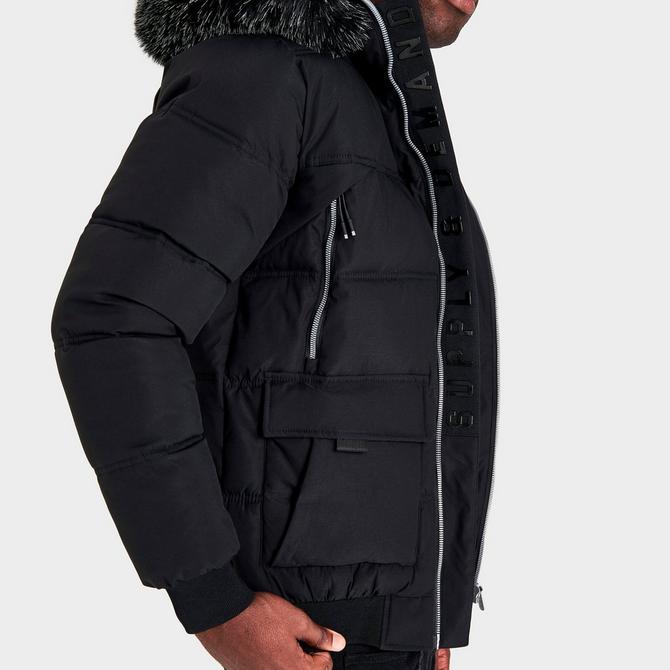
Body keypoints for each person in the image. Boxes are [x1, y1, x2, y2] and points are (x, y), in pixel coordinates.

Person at [52, 0, 496, 668]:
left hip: (377, 632)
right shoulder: (267, 75)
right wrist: (214, 601)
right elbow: (114, 314)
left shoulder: (367, 101)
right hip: (303, 635)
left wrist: (426, 615)